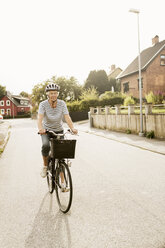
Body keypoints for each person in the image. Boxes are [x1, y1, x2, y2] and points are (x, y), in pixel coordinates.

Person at [37, 83, 78, 178]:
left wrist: (72, 128)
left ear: (58, 94)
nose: (53, 95)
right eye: (51, 93)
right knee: (46, 145)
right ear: (48, 94)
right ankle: (45, 166)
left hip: (59, 130)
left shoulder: (62, 103)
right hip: (46, 131)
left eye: (55, 93)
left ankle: (63, 183)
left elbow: (67, 117)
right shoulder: (43, 104)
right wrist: (41, 129)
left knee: (61, 155)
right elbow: (39, 119)